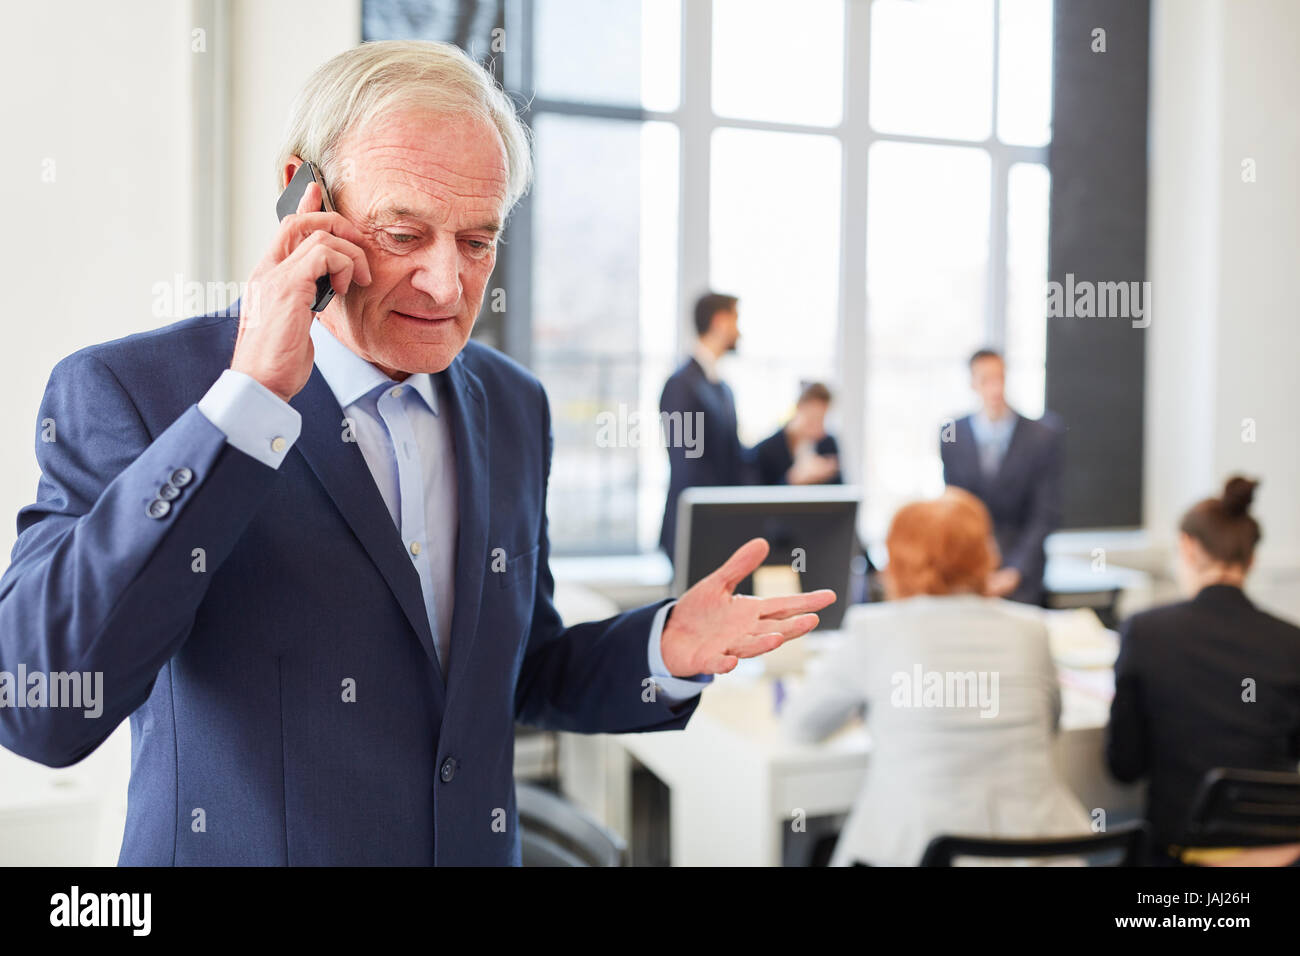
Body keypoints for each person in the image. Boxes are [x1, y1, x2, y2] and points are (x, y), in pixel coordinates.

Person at [0, 41, 834, 866]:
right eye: (404, 233)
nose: (447, 284)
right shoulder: (130, 391)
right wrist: (246, 404)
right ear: (302, 192)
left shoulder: (511, 405)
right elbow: (42, 708)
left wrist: (661, 649)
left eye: (478, 241)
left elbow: (519, 669)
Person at [782, 488, 1090, 866]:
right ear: (984, 555)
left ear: (896, 562)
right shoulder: (1031, 628)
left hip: (915, 853)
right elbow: (1050, 725)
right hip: (1038, 854)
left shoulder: (873, 630)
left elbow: (801, 726)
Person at [1107, 477, 1300, 866]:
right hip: (1281, 855)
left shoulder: (1146, 633)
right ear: (1251, 560)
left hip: (1180, 855)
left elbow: (1125, 766)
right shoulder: (1292, 642)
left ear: (1188, 548)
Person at [940, 348, 1064, 605]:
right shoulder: (952, 435)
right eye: (986, 380)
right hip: (970, 570)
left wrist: (1015, 570)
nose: (995, 388)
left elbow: (1045, 513)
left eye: (1000, 378)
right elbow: (954, 507)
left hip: (1023, 571)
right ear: (973, 384)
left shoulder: (1042, 435)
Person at [658, 291, 751, 562]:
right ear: (720, 322)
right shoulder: (681, 386)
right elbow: (687, 464)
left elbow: (734, 459)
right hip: (695, 532)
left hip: (720, 529)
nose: (739, 332)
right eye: (736, 321)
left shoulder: (722, 389)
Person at [753, 382, 842, 486]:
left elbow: (841, 492)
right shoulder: (767, 450)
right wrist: (792, 479)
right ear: (799, 408)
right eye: (812, 419)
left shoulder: (827, 444)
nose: (818, 428)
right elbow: (760, 496)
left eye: (822, 420)